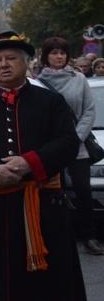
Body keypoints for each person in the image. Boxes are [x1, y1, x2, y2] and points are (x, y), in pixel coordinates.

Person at [0, 31, 86, 300]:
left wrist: (29, 162)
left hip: (44, 209)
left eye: (11, 58)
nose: (4, 64)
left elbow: (68, 142)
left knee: (47, 286)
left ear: (26, 63)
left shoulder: (50, 101)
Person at [36, 37, 102, 255]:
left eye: (62, 53)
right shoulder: (37, 82)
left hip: (77, 146)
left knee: (83, 191)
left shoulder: (79, 78)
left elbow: (89, 111)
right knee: (56, 193)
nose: (58, 57)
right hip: (52, 148)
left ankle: (90, 237)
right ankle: (60, 237)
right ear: (46, 56)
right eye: (54, 53)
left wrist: (74, 139)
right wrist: (56, 144)